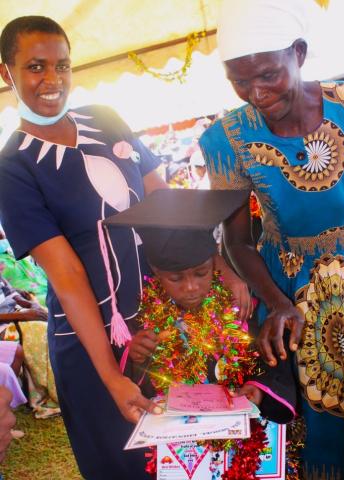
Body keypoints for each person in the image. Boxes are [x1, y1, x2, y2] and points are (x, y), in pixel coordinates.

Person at [0, 16, 251, 479]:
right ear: (6, 73)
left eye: (62, 66)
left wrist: (221, 266)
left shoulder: (105, 118)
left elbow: (165, 204)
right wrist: (112, 377)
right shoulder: (13, 168)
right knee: (124, 463)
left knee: (185, 454)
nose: (52, 80)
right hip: (88, 342)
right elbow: (68, 277)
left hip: (159, 322)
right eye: (35, 67)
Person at [199, 1, 344, 479]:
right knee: (306, 422)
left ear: (298, 54)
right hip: (284, 288)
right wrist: (278, 303)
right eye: (239, 81)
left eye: (267, 75)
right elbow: (237, 242)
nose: (256, 94)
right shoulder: (228, 139)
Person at [104, 188, 297, 478]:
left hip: (242, 443)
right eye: (175, 278)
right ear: (156, 271)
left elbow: (271, 362)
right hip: (180, 448)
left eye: (201, 273)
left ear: (214, 264)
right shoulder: (146, 316)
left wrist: (258, 389)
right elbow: (140, 385)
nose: (191, 287)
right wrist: (136, 355)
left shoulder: (241, 308)